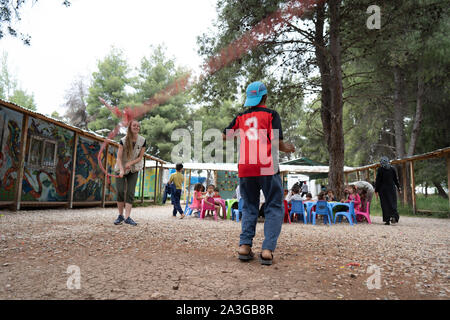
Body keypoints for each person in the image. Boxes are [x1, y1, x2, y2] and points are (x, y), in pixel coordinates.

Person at [223, 80, 295, 266]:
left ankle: (245, 246)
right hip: (267, 165)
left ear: (249, 98)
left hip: (246, 166)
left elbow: (225, 135)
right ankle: (267, 250)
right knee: (273, 205)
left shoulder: (241, 117)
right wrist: (287, 148)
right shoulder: (271, 114)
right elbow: (278, 141)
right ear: (265, 97)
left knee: (249, 205)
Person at [113, 120, 146, 226]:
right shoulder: (123, 140)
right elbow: (118, 157)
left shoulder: (143, 140)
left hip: (134, 168)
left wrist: (130, 163)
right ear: (130, 127)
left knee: (130, 192)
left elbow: (140, 157)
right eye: (134, 125)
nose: (136, 127)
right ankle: (120, 215)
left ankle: (127, 217)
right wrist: (122, 169)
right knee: (120, 191)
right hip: (121, 168)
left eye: (138, 126)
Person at [375, 157, 401, 225]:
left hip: (382, 190)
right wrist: (398, 187)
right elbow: (396, 179)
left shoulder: (380, 169)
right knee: (392, 203)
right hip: (391, 189)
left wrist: (376, 189)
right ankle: (394, 217)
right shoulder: (392, 169)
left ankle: (387, 220)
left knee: (385, 204)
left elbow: (378, 180)